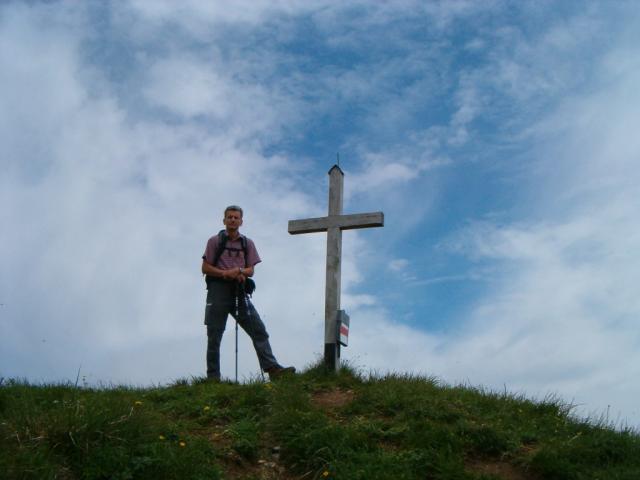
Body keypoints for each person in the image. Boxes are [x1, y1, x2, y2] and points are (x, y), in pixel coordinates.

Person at [202, 205, 295, 381]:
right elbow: (205, 267)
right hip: (218, 290)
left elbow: (251, 270)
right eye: (229, 217)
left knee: (258, 329)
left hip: (238, 290)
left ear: (241, 221)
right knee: (214, 335)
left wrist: (239, 272)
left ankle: (272, 369)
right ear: (224, 220)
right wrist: (224, 273)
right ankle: (213, 378)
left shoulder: (247, 243)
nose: (233, 220)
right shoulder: (214, 241)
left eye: (236, 217)